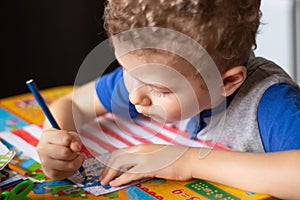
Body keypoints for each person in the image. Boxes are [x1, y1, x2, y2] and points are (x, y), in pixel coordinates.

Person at [37, 0, 300, 199]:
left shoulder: (270, 101)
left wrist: (184, 160)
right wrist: (55, 140)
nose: (134, 95)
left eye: (159, 89)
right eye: (128, 72)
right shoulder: (149, 73)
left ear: (226, 82)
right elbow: (73, 103)